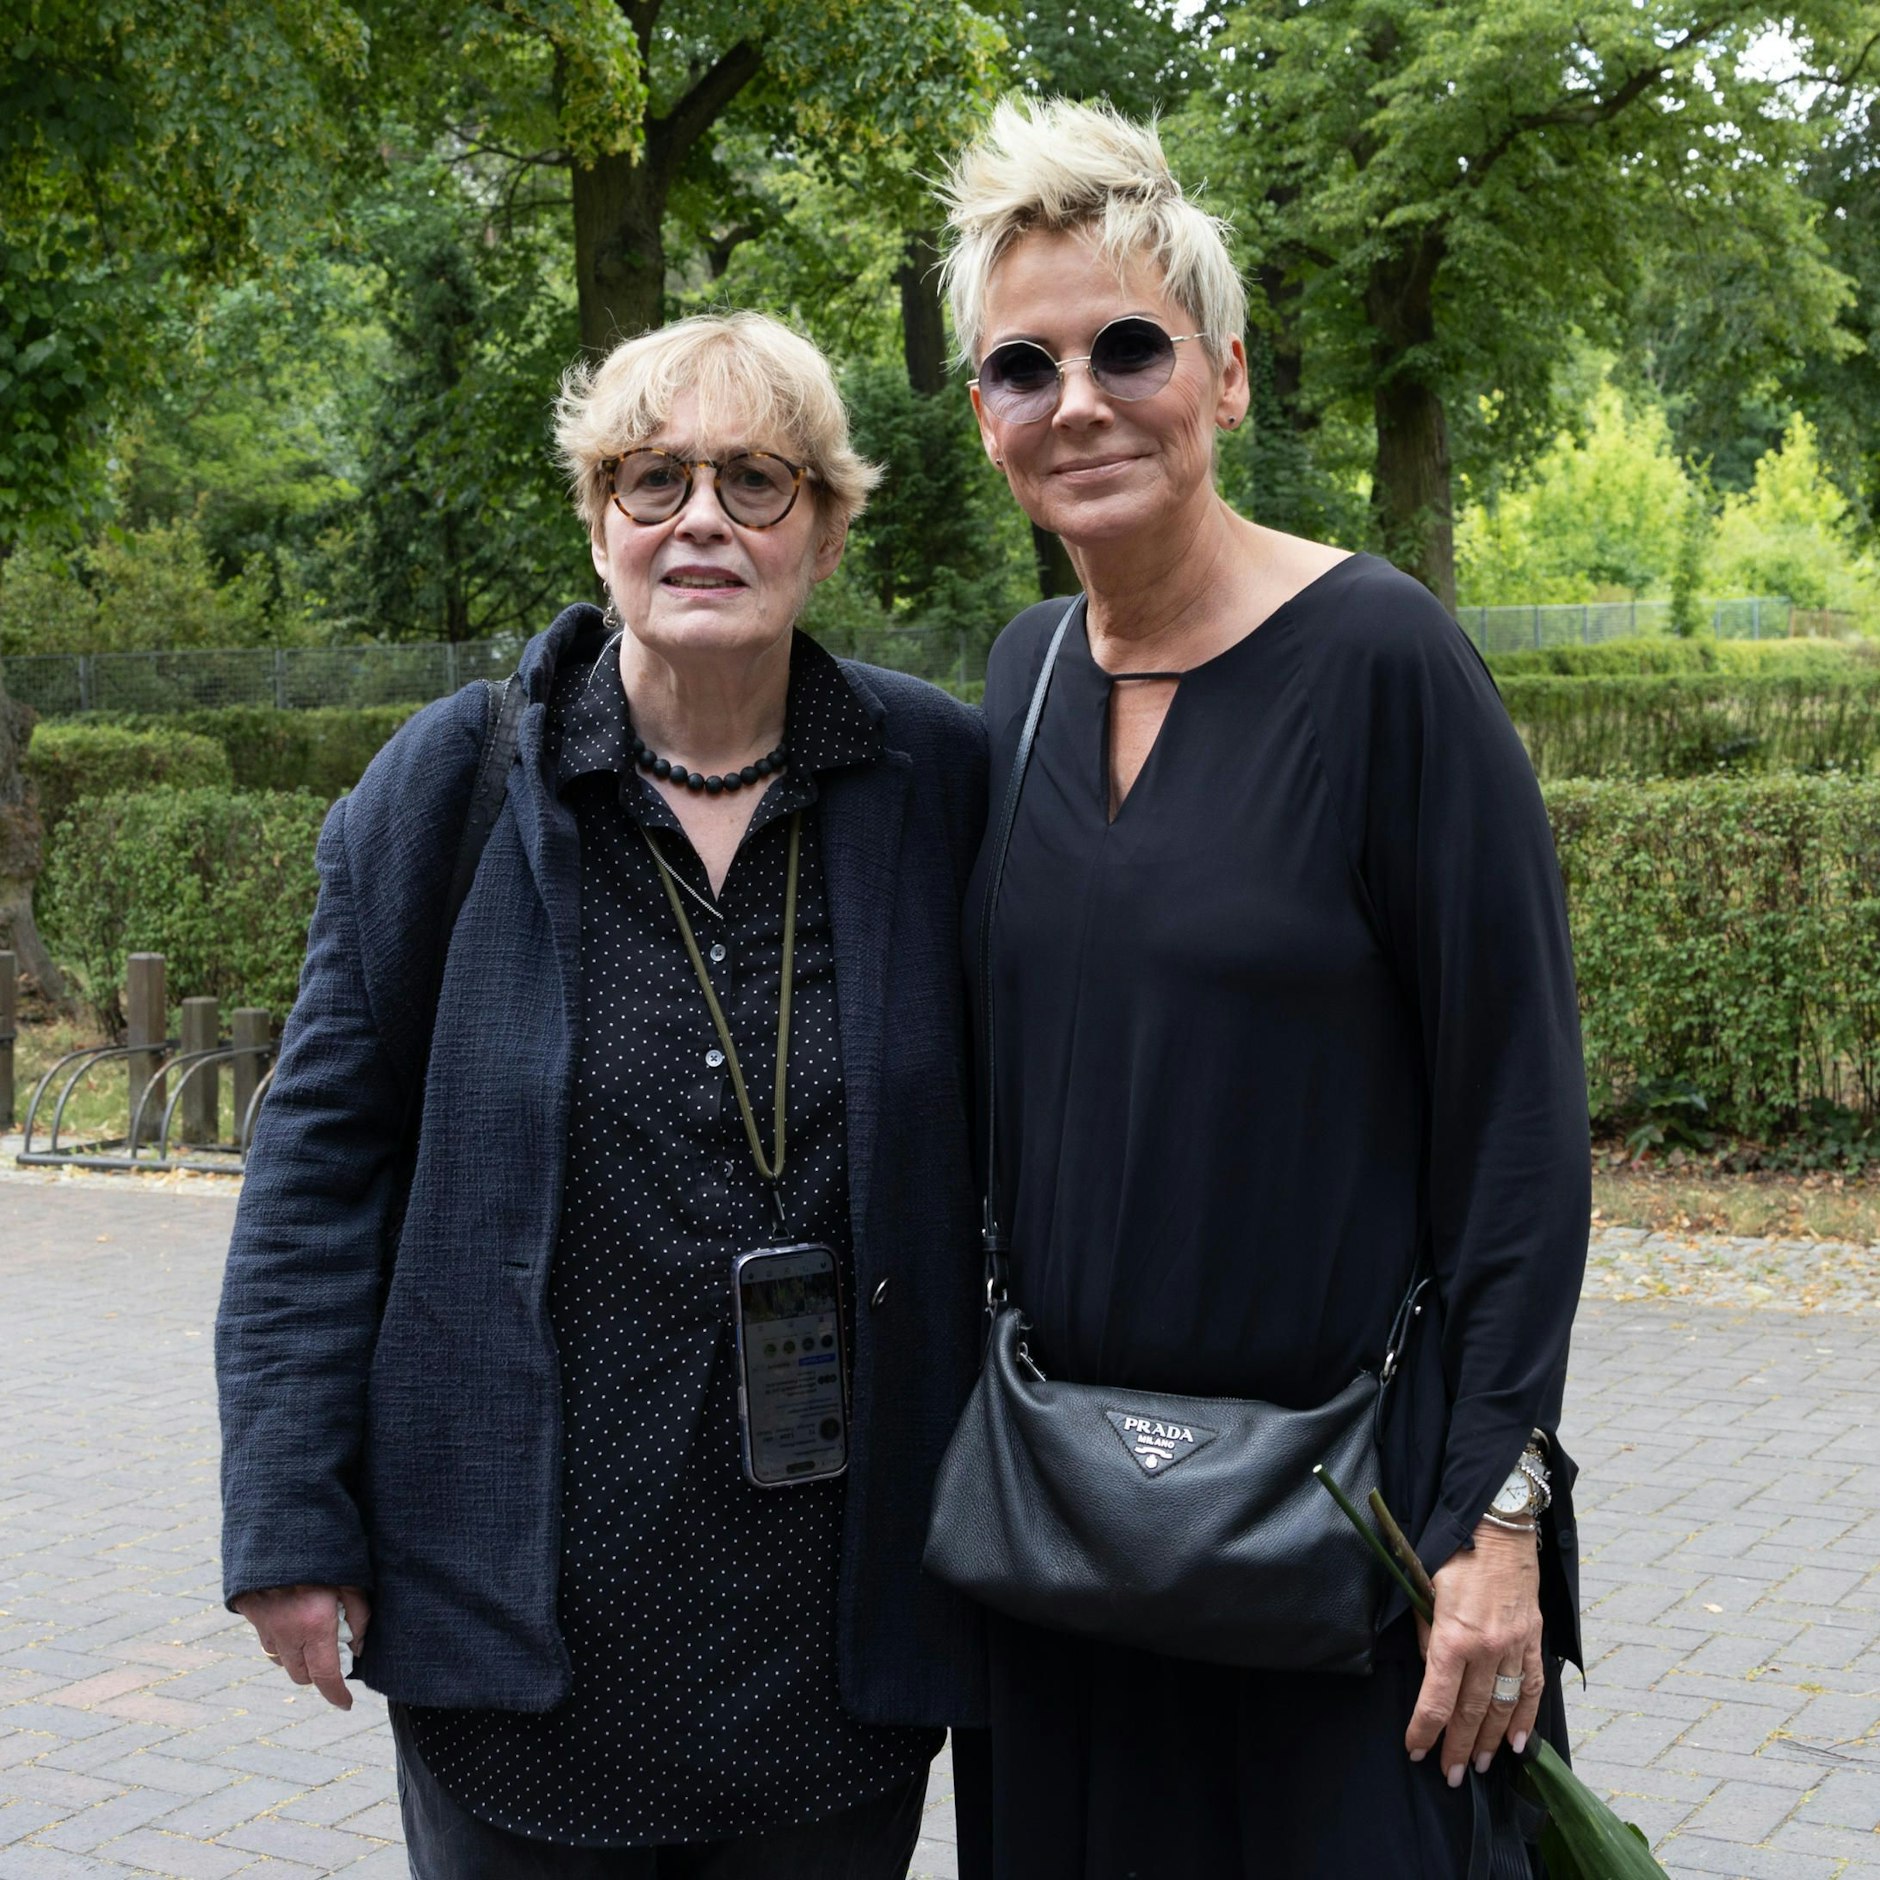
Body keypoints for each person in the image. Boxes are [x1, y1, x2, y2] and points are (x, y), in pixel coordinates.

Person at [216, 311, 989, 1878]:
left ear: (827, 528)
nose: (700, 517)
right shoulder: (449, 791)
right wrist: (290, 1519)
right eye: (653, 478)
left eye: (756, 480)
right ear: (599, 519)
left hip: (830, 1628)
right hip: (518, 1609)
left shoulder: (940, 787)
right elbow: (314, 1179)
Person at [937, 98, 1589, 1877]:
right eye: (1022, 366)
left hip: (1346, 1523)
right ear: (983, 419)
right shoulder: (1024, 679)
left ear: (1224, 378)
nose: (1079, 399)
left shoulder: (1384, 662)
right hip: (1070, 1531)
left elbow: (1521, 1124)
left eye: (1128, 346)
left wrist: (1497, 1522)